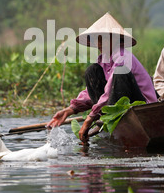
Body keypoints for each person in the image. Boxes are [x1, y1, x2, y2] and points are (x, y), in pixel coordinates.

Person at [46, 12, 157, 144]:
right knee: (92, 71)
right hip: (119, 105)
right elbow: (92, 90)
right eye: (96, 39)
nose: (99, 44)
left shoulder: (122, 56)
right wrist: (70, 109)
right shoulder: (104, 60)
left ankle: (110, 119)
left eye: (103, 39)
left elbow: (110, 89)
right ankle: (110, 120)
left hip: (143, 107)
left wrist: (90, 118)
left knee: (120, 73)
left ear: (115, 39)